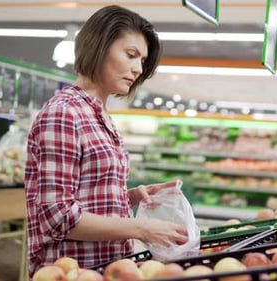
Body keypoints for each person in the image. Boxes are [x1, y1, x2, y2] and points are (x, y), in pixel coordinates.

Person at [24, 5, 189, 277]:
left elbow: (83, 198)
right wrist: (141, 228)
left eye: (142, 61)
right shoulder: (64, 112)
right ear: (99, 46)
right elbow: (58, 217)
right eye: (131, 55)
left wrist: (131, 197)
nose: (138, 69)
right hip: (72, 272)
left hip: (106, 268)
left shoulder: (99, 115)